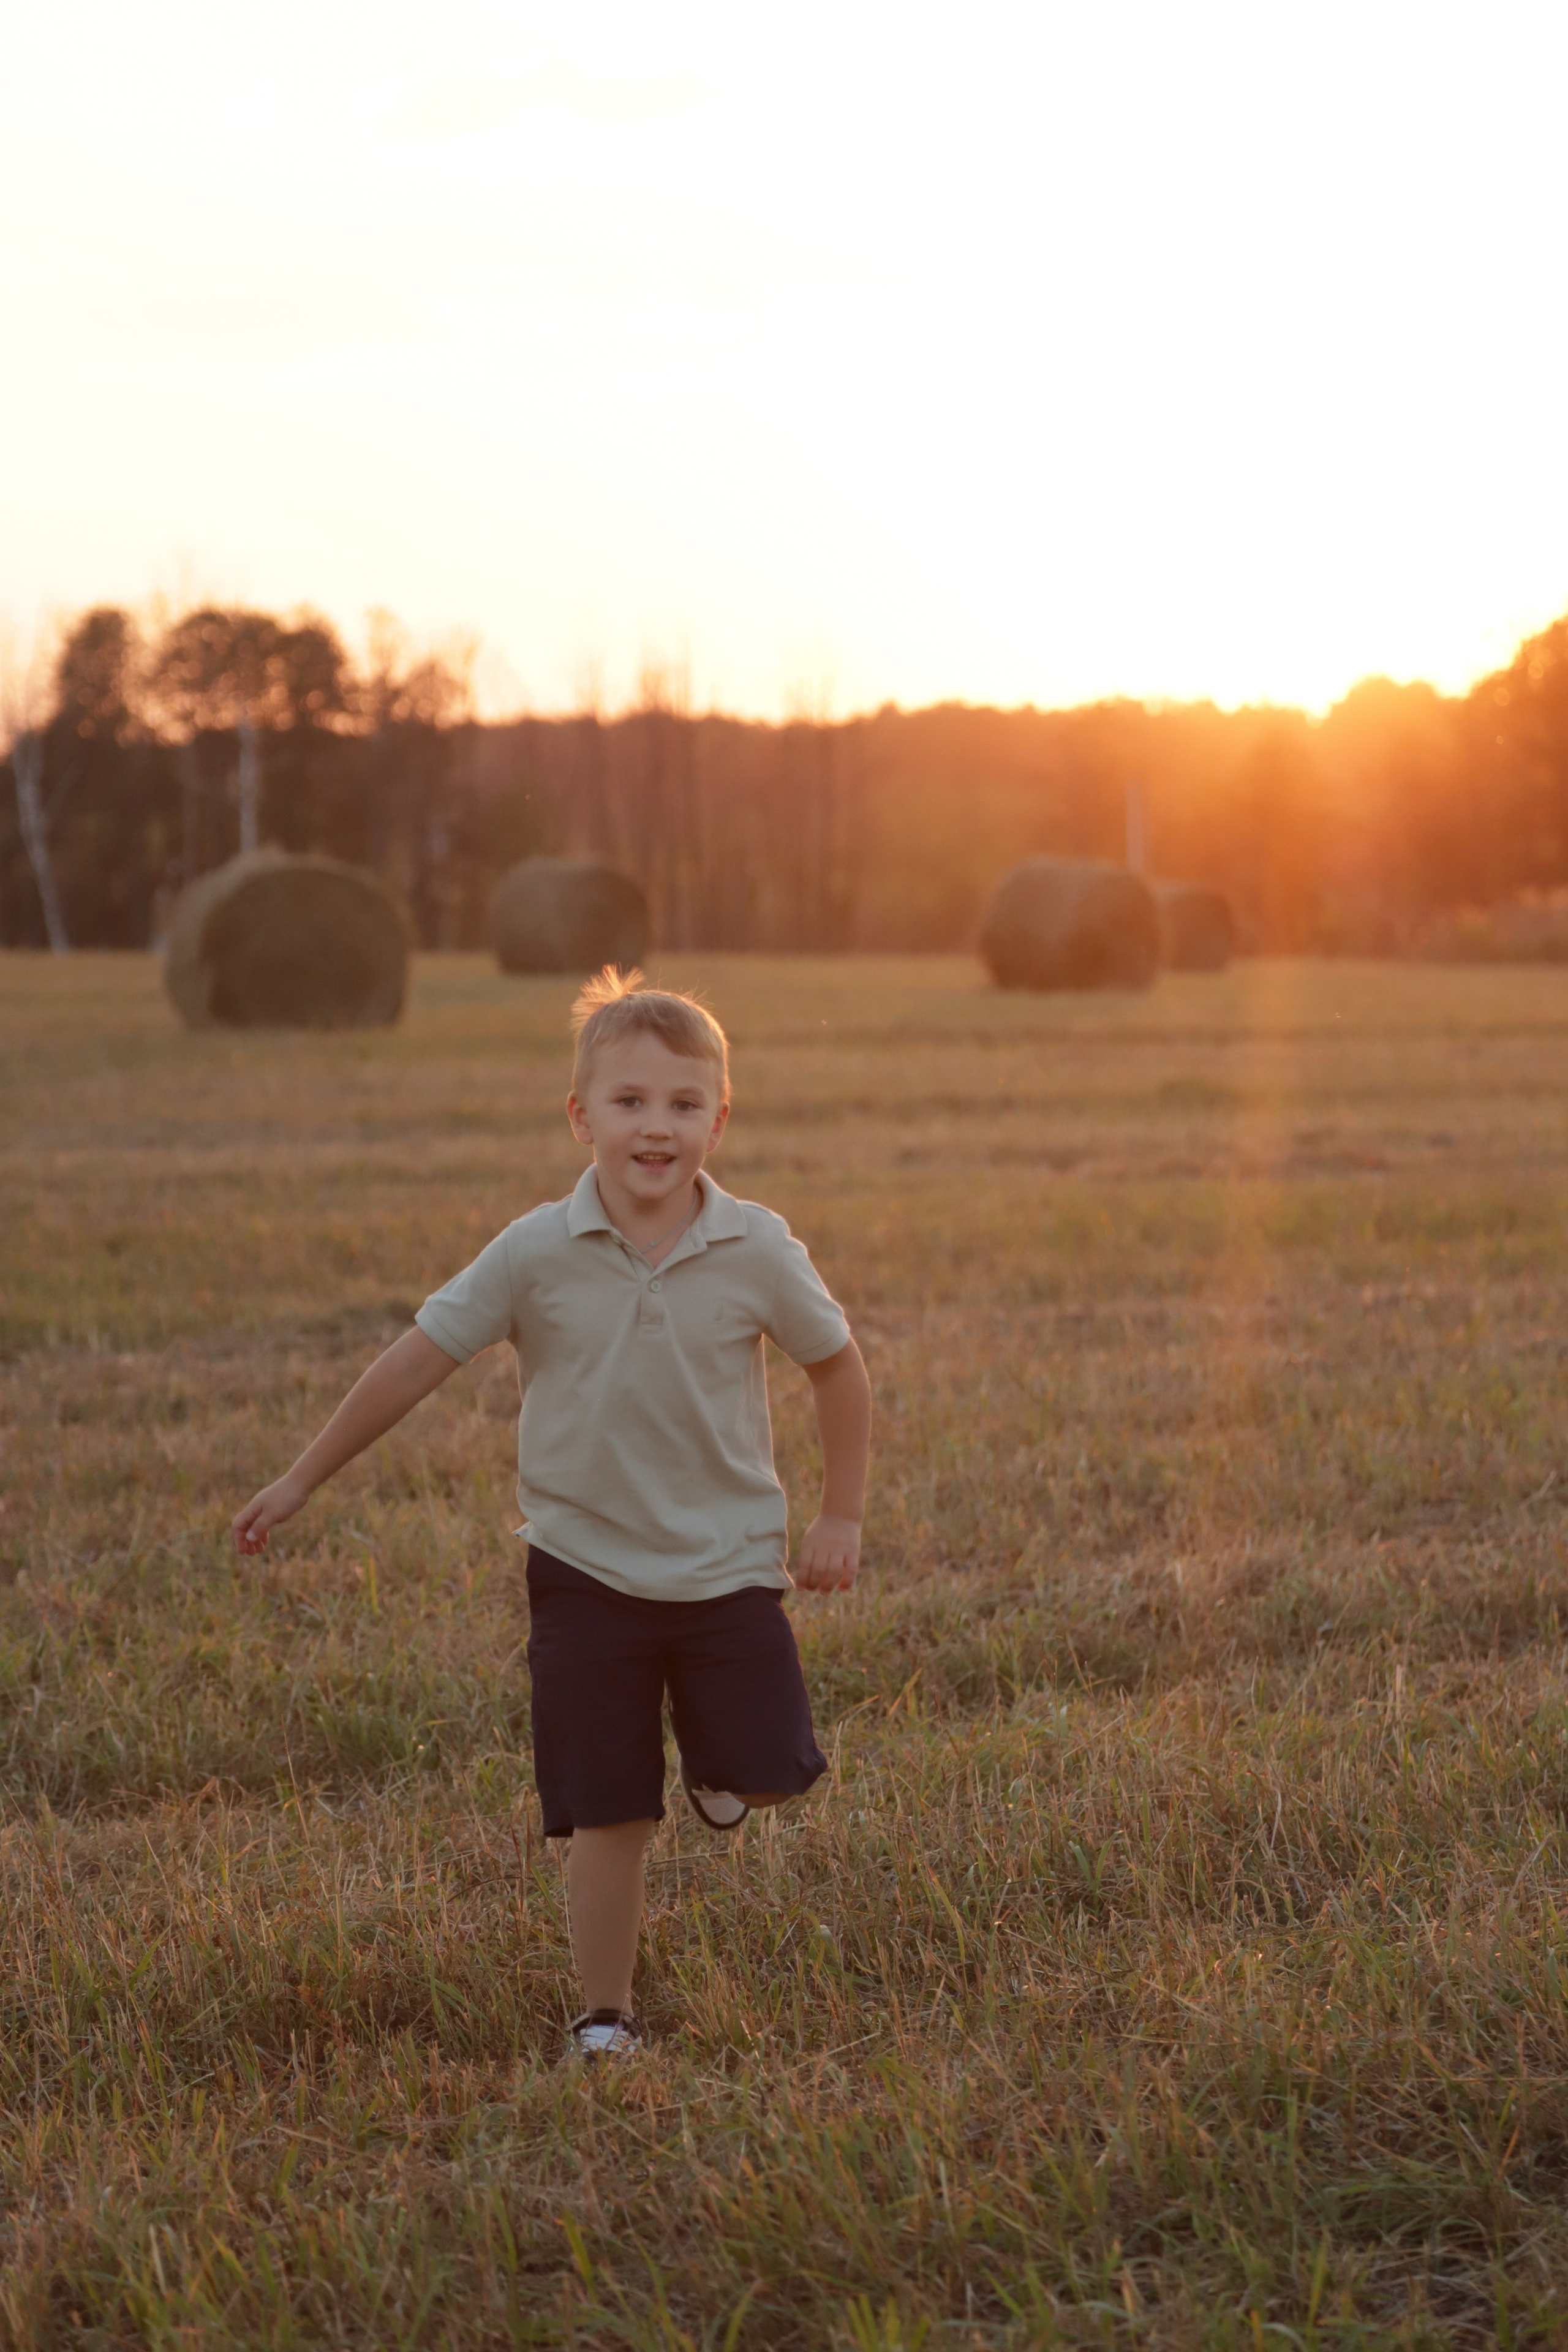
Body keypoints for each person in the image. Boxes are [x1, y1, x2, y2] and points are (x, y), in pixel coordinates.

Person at [232, 967, 872, 2059]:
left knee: (773, 1771)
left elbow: (839, 1369)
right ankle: (605, 2019)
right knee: (608, 1811)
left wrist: (841, 1514)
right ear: (581, 1116)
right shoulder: (534, 1251)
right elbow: (415, 1362)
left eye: (682, 1104)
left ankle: (720, 1771)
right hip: (583, 1573)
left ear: (720, 1116)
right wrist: (301, 1478)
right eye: (628, 1103)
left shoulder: (758, 1245)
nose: (655, 1128)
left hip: (727, 1568)